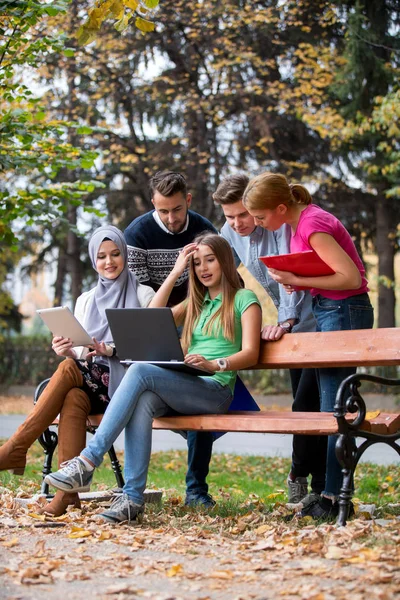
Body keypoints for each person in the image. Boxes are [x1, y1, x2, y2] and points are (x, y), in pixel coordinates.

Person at [45, 233, 262, 524]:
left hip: (217, 388)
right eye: (197, 263)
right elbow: (152, 316)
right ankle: (132, 499)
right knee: (144, 400)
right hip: (191, 383)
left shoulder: (243, 299)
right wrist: (176, 272)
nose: (203, 268)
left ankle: (87, 461)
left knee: (139, 370)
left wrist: (215, 363)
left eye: (210, 260)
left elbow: (251, 352)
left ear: (224, 261)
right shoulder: (195, 302)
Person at [0, 225, 162, 516]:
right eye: (101, 256)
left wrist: (108, 350)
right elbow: (80, 350)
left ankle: (16, 447)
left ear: (125, 255)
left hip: (127, 385)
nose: (109, 262)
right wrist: (66, 348)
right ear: (93, 260)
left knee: (67, 371)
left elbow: (149, 348)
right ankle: (67, 496)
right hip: (90, 380)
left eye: (115, 254)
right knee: (73, 394)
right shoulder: (86, 299)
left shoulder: (142, 294)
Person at [243, 172, 374, 520]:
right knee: (331, 407)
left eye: (259, 217)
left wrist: (296, 280)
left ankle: (333, 499)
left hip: (342, 311)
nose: (258, 224)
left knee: (335, 410)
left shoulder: (312, 223)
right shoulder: (301, 223)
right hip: (330, 310)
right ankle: (329, 494)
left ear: (281, 208)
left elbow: (351, 278)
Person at [213, 174, 325, 504]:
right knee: (303, 405)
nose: (237, 222)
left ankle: (308, 479)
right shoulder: (229, 233)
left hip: (314, 318)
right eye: (229, 216)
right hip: (290, 326)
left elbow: (289, 277)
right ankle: (305, 478)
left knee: (310, 404)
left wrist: (286, 321)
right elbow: (227, 281)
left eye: (242, 215)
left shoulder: (278, 226)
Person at [124, 171, 218, 508]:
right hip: (156, 320)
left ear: (188, 201)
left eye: (177, 209)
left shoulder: (205, 229)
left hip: (199, 322)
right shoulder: (136, 235)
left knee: (200, 390)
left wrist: (191, 311)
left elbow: (218, 284)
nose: (171, 218)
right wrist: (180, 304)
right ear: (153, 204)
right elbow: (145, 303)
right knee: (150, 389)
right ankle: (132, 492)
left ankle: (196, 489)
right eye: (163, 210)